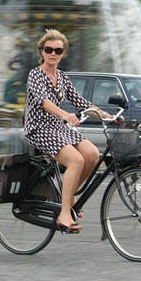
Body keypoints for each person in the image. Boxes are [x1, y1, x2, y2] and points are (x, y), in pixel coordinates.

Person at [23, 29, 118, 234]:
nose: (53, 53)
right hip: (39, 128)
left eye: (58, 50)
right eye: (49, 49)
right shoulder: (35, 74)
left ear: (63, 53)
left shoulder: (63, 77)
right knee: (76, 160)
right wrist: (65, 114)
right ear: (41, 51)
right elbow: (45, 103)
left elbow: (81, 102)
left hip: (58, 128)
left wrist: (109, 116)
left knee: (92, 155)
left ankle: (70, 193)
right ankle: (64, 214)